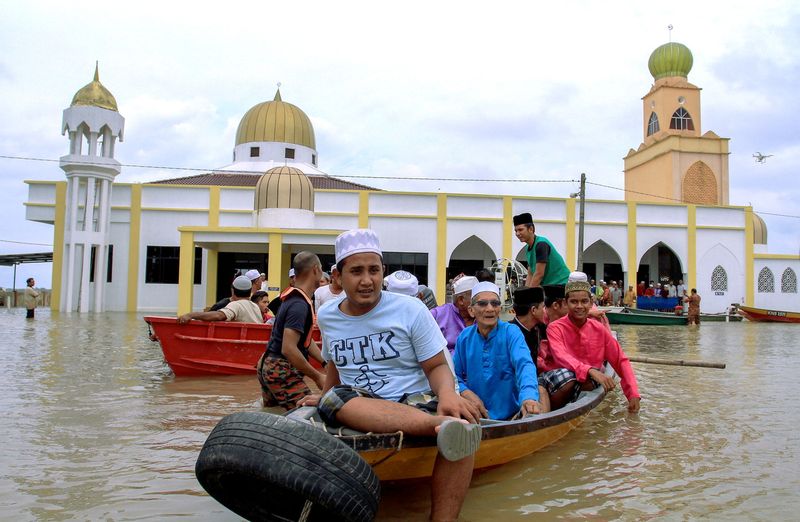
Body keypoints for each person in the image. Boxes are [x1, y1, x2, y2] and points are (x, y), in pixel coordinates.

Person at [304, 228, 482, 521]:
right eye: (356, 271)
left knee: (461, 432)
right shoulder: (327, 315)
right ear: (337, 276)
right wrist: (322, 398)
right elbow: (334, 363)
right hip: (360, 403)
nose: (367, 280)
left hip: (414, 398)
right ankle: (436, 426)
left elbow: (437, 365)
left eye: (374, 270)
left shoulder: (409, 309)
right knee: (334, 399)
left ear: (383, 273)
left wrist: (448, 395)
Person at [540, 278, 641, 413]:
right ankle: (553, 410)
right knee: (568, 376)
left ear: (591, 303)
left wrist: (633, 393)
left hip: (587, 381)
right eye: (574, 302)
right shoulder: (555, 328)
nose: (579, 306)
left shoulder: (599, 329)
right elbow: (561, 356)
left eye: (584, 301)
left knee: (593, 380)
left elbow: (620, 360)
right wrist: (590, 370)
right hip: (561, 380)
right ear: (566, 303)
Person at [453, 282, 540, 420]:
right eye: (482, 304)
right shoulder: (465, 337)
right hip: (475, 416)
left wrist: (528, 397)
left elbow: (525, 365)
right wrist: (467, 393)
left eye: (495, 303)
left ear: (500, 308)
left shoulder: (511, 332)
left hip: (512, 416)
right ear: (471, 310)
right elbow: (454, 376)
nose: (490, 309)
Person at [258, 252, 326, 410]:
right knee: (308, 413)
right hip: (281, 369)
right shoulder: (299, 305)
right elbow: (289, 349)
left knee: (274, 414)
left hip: (269, 364)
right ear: (315, 270)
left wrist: (324, 362)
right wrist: (317, 376)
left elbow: (305, 342)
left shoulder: (295, 299)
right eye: (321, 269)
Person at [508, 286, 551, 412]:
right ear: (533, 310)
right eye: (543, 307)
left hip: (532, 379)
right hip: (514, 383)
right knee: (541, 389)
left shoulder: (538, 328)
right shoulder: (509, 332)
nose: (545, 311)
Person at [513, 212, 570, 287]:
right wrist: (526, 290)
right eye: (516, 231)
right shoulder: (528, 248)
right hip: (549, 286)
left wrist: (529, 294)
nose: (517, 233)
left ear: (531, 229)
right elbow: (530, 274)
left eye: (520, 230)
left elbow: (539, 274)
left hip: (561, 284)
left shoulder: (541, 244)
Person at [178, 276, 263, 324]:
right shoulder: (255, 306)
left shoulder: (235, 304)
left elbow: (219, 316)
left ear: (232, 290)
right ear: (250, 291)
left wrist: (191, 315)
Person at [430, 275, 479, 353]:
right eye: (476, 298)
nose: (481, 302)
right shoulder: (437, 315)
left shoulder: (484, 317)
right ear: (461, 300)